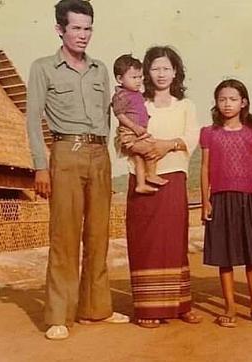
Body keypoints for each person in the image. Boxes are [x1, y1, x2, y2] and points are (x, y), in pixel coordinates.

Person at [26, 0, 128, 340]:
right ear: (60, 29)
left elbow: (106, 116)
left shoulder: (100, 69)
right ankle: (59, 314)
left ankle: (95, 309)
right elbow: (32, 119)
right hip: (65, 153)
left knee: (99, 235)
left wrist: (104, 153)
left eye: (88, 28)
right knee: (65, 237)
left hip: (98, 154)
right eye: (76, 28)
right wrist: (42, 166)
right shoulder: (43, 68)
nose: (83, 35)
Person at [122, 46, 201, 328]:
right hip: (142, 177)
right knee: (146, 241)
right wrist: (146, 149)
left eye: (166, 68)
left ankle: (181, 304)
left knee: (174, 239)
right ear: (146, 72)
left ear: (176, 71)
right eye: (155, 68)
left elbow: (191, 137)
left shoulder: (186, 106)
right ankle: (148, 309)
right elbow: (122, 140)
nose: (161, 74)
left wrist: (166, 145)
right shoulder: (136, 104)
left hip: (174, 177)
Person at [200, 79, 252, 328]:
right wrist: (205, 201)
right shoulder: (209, 133)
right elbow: (204, 167)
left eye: (232, 99)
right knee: (225, 256)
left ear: (243, 102)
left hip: (249, 198)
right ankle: (229, 306)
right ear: (216, 103)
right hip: (220, 198)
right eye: (222, 99)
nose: (227, 104)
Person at [111, 54, 168, 194]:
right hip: (130, 135)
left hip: (138, 133)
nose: (138, 81)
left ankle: (141, 184)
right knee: (151, 150)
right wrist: (135, 127)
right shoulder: (122, 95)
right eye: (134, 77)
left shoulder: (136, 94)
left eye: (140, 77)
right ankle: (151, 175)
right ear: (120, 79)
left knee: (139, 160)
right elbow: (119, 114)